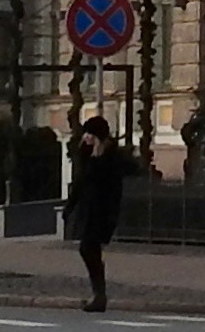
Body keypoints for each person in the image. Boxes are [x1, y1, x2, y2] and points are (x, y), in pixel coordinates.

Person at [62, 118, 132, 315]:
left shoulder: (110, 156)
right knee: (88, 250)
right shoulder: (85, 154)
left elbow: (112, 186)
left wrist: (98, 157)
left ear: (98, 136)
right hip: (88, 209)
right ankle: (99, 295)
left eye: (90, 134)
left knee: (88, 248)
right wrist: (70, 207)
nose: (86, 137)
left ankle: (100, 295)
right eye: (86, 134)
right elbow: (79, 181)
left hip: (101, 211)